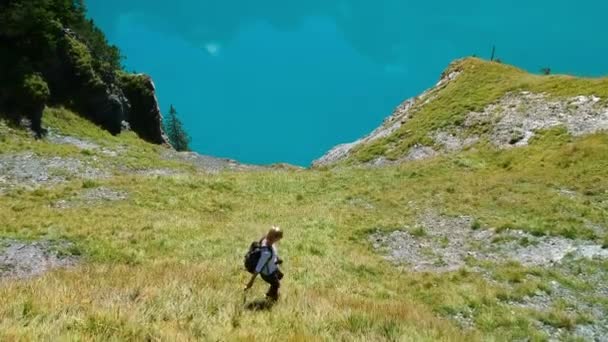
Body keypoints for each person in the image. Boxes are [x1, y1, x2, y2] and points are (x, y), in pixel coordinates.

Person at [244, 226, 284, 301]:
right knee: (276, 284)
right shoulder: (266, 253)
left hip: (272, 268)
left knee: (279, 276)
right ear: (275, 238)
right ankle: (270, 297)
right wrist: (251, 282)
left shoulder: (265, 240)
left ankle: (270, 294)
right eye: (278, 238)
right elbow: (259, 267)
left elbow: (272, 252)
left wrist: (276, 259)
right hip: (267, 273)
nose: (279, 240)